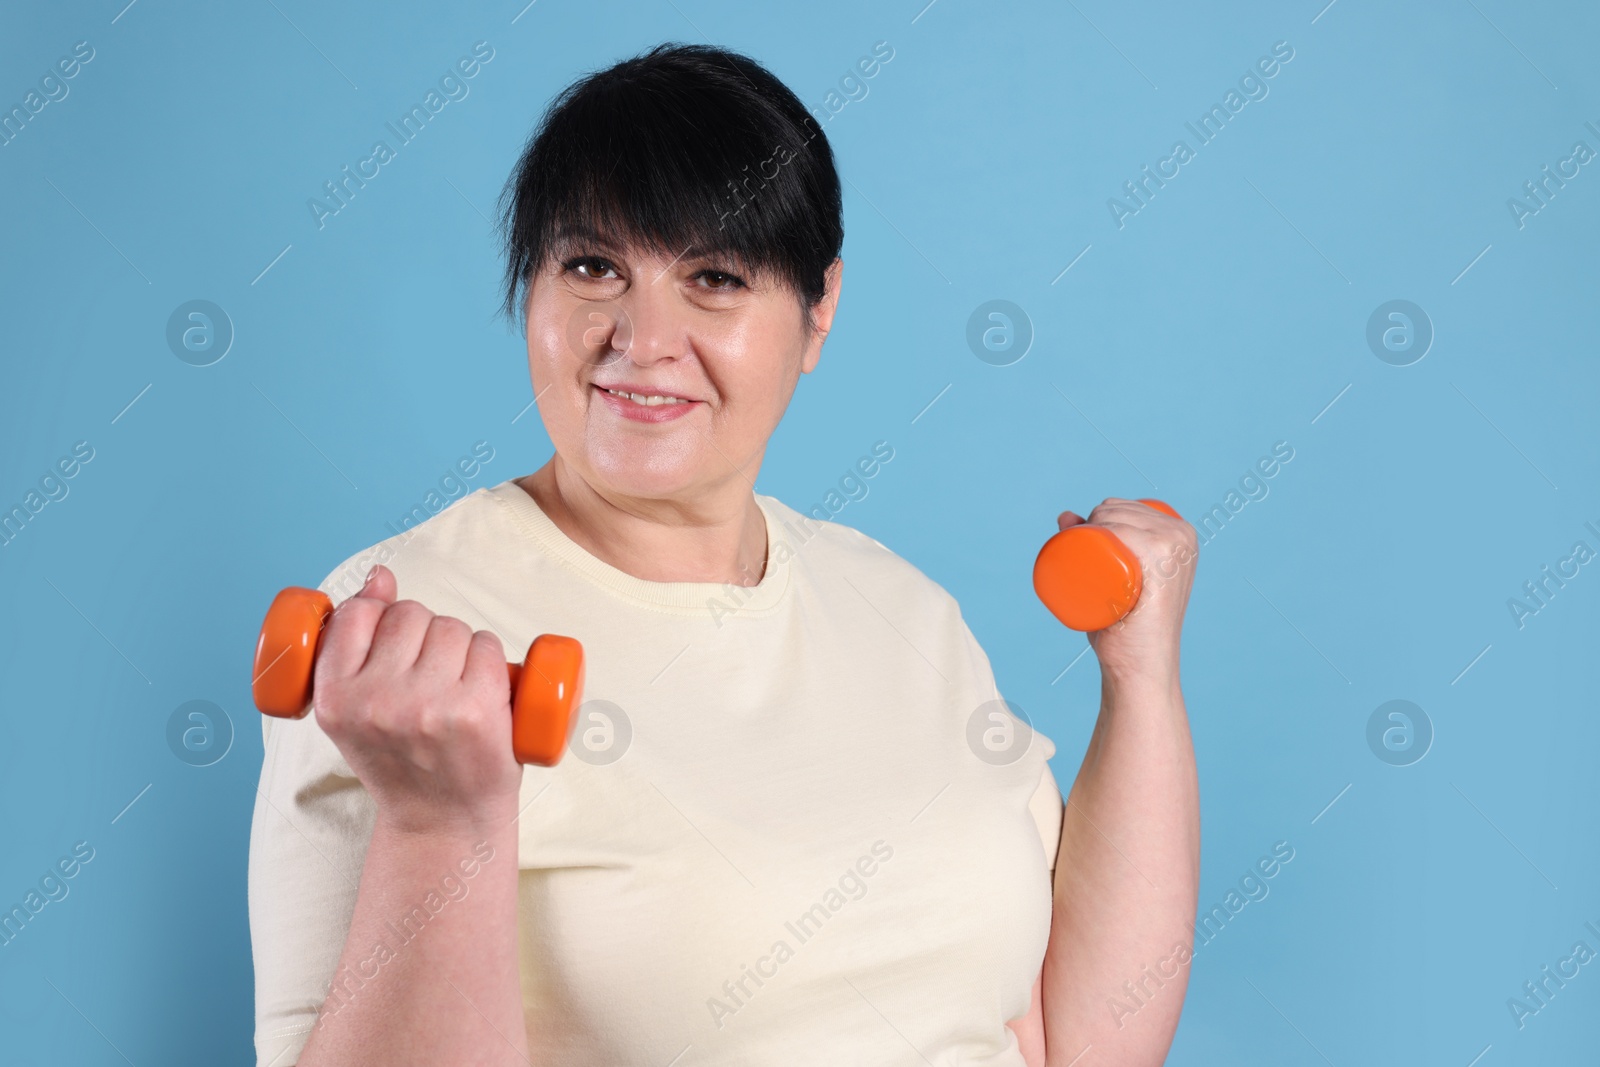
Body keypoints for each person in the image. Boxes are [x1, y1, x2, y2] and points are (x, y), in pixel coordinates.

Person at [248, 42, 1200, 1067]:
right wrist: (442, 825)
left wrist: (1138, 674)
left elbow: (1085, 1042)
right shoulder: (394, 638)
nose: (642, 338)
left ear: (817, 309)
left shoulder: (896, 605)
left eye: (712, 278)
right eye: (592, 266)